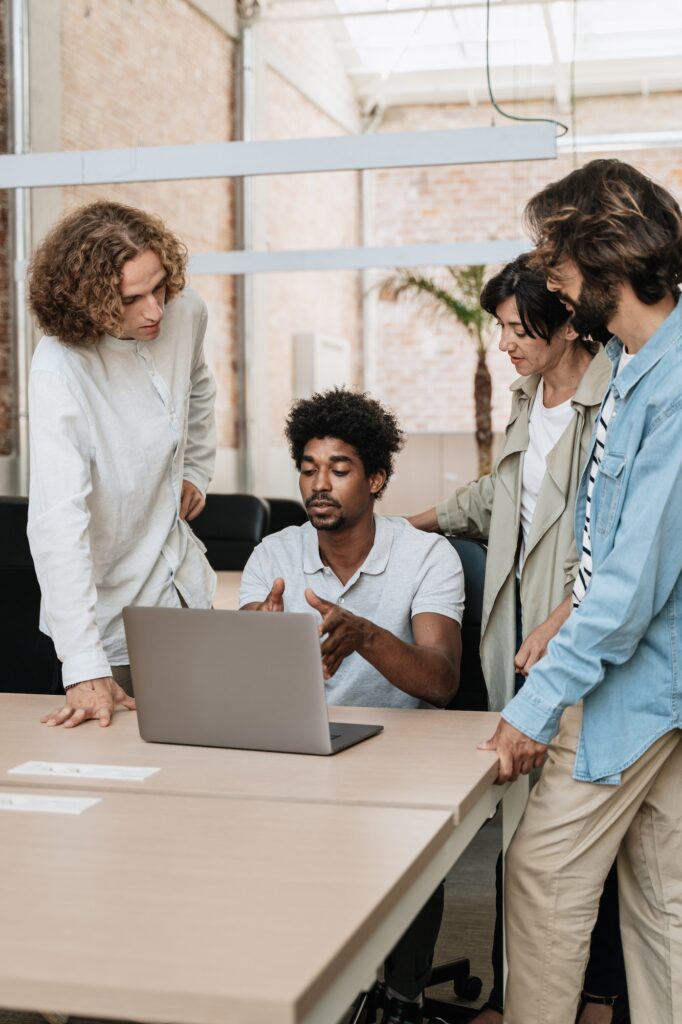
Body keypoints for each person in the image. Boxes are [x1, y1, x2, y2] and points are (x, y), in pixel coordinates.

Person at [480, 159, 682, 1024]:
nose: (554, 287)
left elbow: (631, 591)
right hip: (653, 688)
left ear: (604, 262)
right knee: (663, 904)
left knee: (540, 874)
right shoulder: (644, 366)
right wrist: (575, 605)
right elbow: (630, 553)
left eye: (559, 267)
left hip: (633, 691)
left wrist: (533, 710)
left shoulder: (670, 384)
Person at [410, 255, 626, 1023]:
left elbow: (626, 545)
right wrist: (406, 528)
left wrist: (566, 615)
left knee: (579, 829)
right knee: (524, 820)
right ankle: (515, 996)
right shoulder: (529, 398)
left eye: (517, 327)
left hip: (578, 639)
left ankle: (598, 997)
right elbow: (497, 493)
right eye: (500, 327)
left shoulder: (619, 399)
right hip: (515, 633)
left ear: (567, 320)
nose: (505, 342)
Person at [239, 387, 464, 1024]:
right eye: (309, 468)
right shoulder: (273, 556)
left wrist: (363, 635)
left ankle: (402, 998)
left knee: (408, 839)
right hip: (303, 747)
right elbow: (247, 689)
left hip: (404, 754)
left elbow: (441, 680)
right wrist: (254, 641)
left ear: (377, 478)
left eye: (340, 469)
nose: (320, 484)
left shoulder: (428, 556)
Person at [27, 200, 216, 729]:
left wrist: (196, 468)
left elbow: (199, 385)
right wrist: (84, 665)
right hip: (106, 617)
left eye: (159, 286)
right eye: (131, 300)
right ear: (87, 303)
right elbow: (56, 523)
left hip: (183, 590)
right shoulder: (60, 368)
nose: (155, 310)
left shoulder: (186, 312)